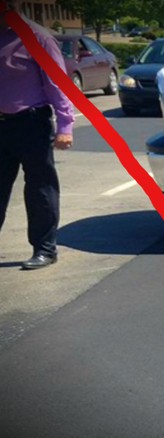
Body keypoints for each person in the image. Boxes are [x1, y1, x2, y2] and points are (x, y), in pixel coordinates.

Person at [0, 0, 75, 270]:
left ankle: (44, 249)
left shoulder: (37, 37)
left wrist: (65, 126)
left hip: (30, 123)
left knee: (40, 189)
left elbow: (57, 83)